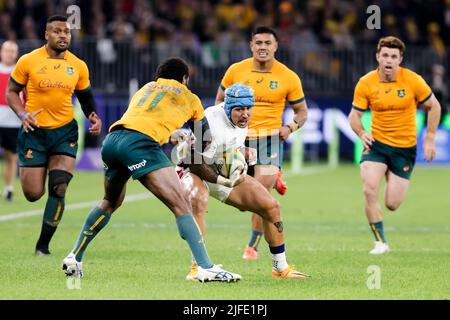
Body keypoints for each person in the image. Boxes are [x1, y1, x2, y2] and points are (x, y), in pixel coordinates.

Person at [62, 57, 242, 283]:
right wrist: (192, 147)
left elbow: (145, 120)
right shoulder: (190, 97)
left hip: (113, 141)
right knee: (182, 205)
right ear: (185, 78)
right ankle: (205, 268)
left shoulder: (146, 88)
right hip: (140, 146)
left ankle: (75, 256)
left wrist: (172, 135)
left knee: (110, 201)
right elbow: (205, 140)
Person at [179, 83, 310, 280]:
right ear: (227, 107)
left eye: (249, 108)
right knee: (198, 200)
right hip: (192, 170)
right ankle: (197, 268)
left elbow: (231, 147)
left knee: (270, 206)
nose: (245, 114)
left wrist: (244, 155)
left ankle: (280, 268)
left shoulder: (242, 120)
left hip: (219, 172)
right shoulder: (209, 121)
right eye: (240, 109)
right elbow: (194, 161)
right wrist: (223, 179)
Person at [6, 15, 102, 255]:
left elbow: (86, 96)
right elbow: (11, 91)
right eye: (58, 31)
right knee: (32, 194)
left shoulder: (78, 65)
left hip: (64, 132)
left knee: (59, 187)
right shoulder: (28, 61)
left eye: (67, 32)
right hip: (33, 133)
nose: (63, 36)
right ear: (46, 35)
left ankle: (43, 246)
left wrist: (92, 115)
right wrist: (22, 114)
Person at [215, 26, 308, 260]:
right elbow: (219, 102)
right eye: (259, 43)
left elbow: (302, 112)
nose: (263, 47)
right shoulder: (236, 71)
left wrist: (290, 127)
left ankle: (252, 247)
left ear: (276, 46)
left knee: (261, 193)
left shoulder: (288, 76)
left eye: (268, 43)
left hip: (270, 141)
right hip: (239, 139)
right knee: (243, 200)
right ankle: (274, 175)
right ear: (251, 45)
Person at [348, 36, 441, 254]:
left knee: (392, 203)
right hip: (377, 146)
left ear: (400, 59)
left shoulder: (412, 80)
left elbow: (434, 106)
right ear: (378, 57)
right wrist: (361, 132)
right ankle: (380, 242)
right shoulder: (366, 82)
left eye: (394, 56)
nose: (389, 60)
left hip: (404, 149)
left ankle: (392, 174)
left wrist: (429, 138)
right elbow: (354, 116)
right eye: (385, 55)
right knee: (369, 189)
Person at [0, 40, 20, 202]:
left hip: (13, 121)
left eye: (13, 51)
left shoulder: (19, 73)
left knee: (10, 156)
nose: (10, 54)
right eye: (7, 50)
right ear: (1, 52)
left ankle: (8, 188)